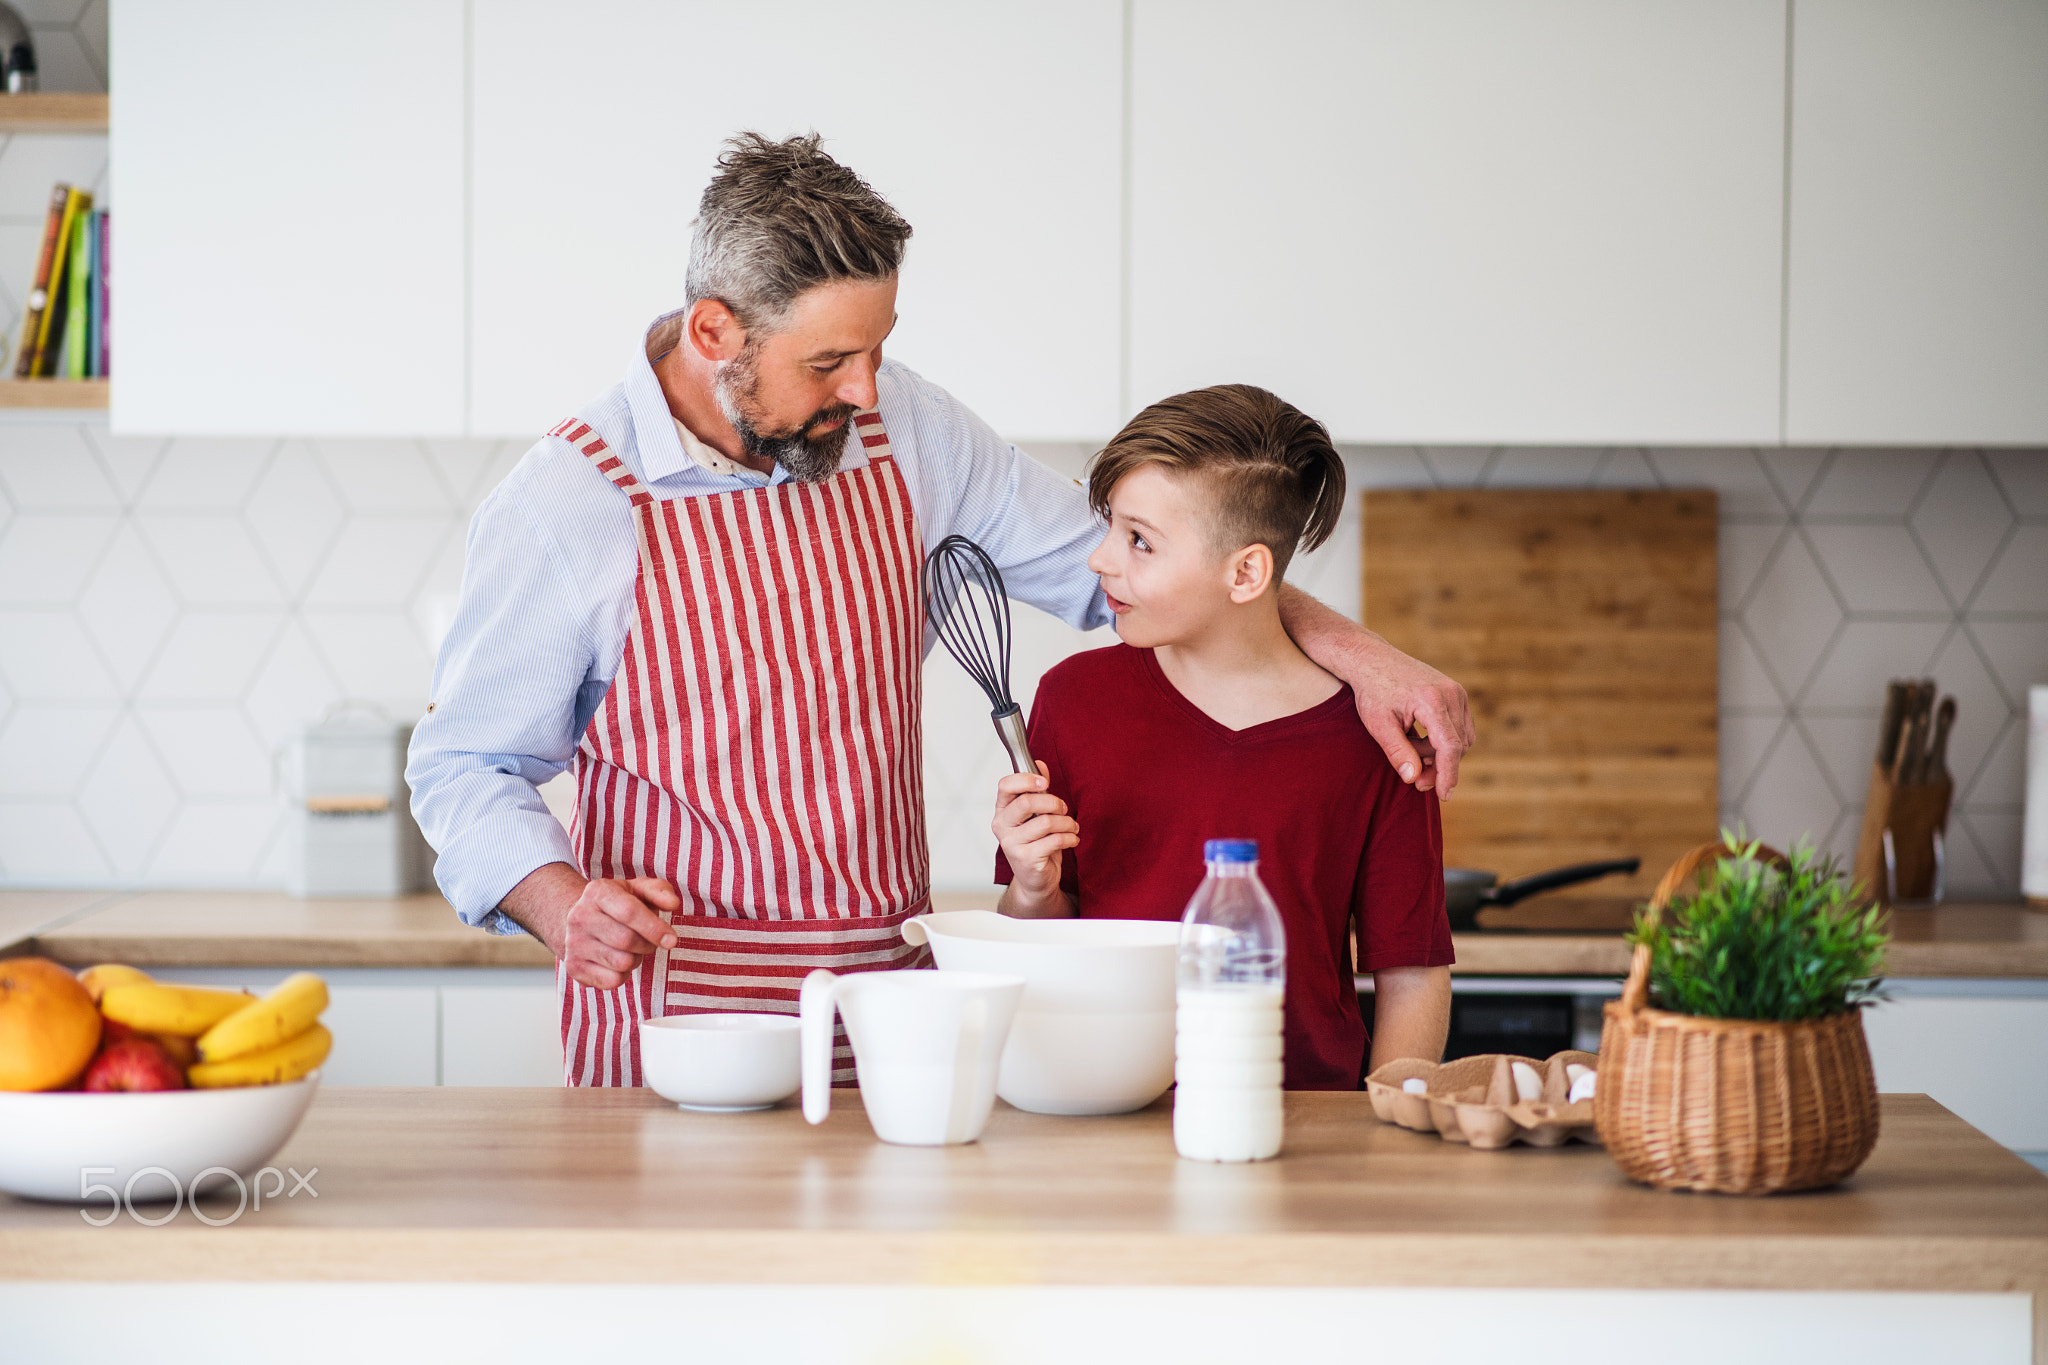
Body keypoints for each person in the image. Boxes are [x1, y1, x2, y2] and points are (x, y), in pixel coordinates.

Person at [407, 133, 1471, 1087]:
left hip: (892, 1022)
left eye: (878, 348)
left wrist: (1355, 653)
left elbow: (1142, 573)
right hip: (685, 1030)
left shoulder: (904, 426)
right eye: (828, 362)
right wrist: (559, 904)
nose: (867, 392)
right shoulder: (568, 505)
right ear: (715, 330)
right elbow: (462, 768)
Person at [990, 385, 1453, 1088]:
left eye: (1139, 540)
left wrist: (1384, 1133)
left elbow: (1413, 974)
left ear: (1246, 572)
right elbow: (1045, 933)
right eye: (1111, 526)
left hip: (1306, 1131)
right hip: (1109, 1116)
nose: (1100, 561)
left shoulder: (1373, 737)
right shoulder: (1074, 698)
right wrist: (1032, 886)